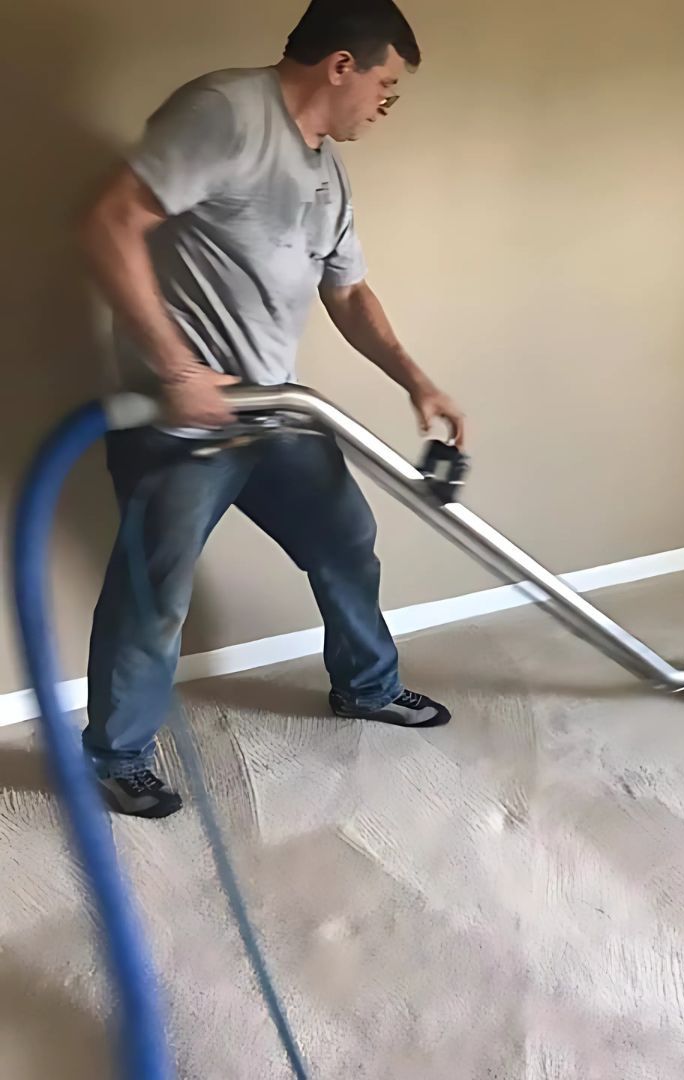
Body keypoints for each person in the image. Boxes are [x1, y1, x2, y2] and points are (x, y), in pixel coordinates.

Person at [78, 0, 462, 818]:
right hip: (181, 419)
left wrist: (414, 378)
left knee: (346, 539)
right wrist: (178, 369)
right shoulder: (224, 111)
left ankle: (365, 687)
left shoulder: (327, 169)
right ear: (341, 66)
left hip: (275, 410)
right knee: (155, 592)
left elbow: (348, 291)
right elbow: (111, 223)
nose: (385, 106)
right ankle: (117, 753)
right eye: (386, 86)